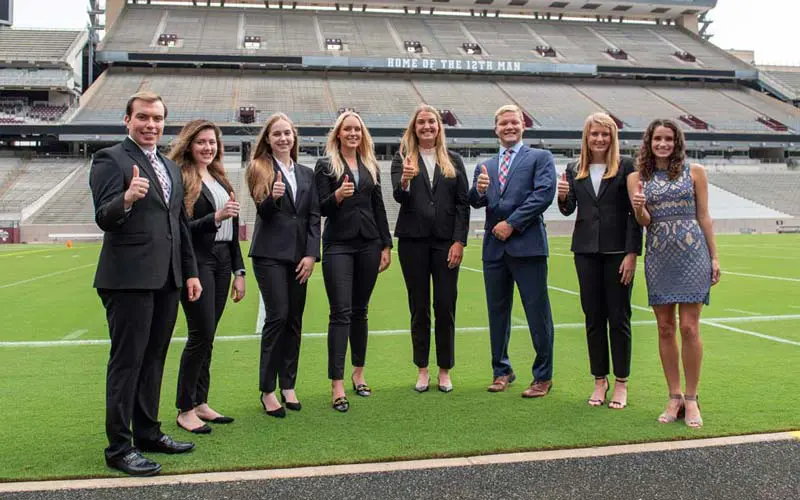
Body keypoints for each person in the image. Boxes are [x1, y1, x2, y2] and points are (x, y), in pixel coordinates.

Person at [90, 91, 201, 476]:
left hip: (167, 278)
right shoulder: (110, 159)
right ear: (127, 120)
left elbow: (179, 226)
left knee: (154, 360)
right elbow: (104, 216)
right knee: (127, 363)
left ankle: (149, 433)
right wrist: (127, 198)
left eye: (156, 118)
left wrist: (189, 272)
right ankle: (120, 448)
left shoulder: (170, 167)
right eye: (143, 117)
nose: (150, 125)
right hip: (128, 279)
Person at [627, 118, 721, 428]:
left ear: (677, 142)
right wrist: (640, 207)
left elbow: (704, 216)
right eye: (658, 139)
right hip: (659, 256)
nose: (663, 144)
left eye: (669, 139)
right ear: (649, 142)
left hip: (693, 256)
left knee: (690, 328)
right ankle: (674, 395)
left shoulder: (696, 173)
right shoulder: (637, 178)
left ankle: (692, 399)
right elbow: (644, 222)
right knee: (665, 328)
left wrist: (714, 257)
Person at [468, 104, 557, 398]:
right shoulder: (486, 165)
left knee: (537, 313)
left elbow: (543, 194)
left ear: (523, 126)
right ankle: (501, 370)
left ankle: (543, 376)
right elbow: (474, 201)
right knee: (497, 313)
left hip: (527, 246)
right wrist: (479, 191)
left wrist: (513, 223)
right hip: (495, 250)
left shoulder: (540, 157)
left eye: (514, 122)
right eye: (503, 123)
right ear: (496, 129)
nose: (509, 127)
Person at [557, 112, 642, 410]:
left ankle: (621, 382)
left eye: (605, 134)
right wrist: (563, 197)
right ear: (587, 137)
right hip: (585, 252)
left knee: (618, 319)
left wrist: (632, 254)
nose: (599, 139)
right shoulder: (573, 168)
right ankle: (599, 380)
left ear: (612, 137)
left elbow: (635, 213)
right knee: (593, 319)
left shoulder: (627, 166)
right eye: (594, 134)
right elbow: (569, 210)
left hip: (618, 253)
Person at [168, 120, 246, 434]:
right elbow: (182, 229)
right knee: (200, 334)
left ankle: (201, 401)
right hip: (198, 260)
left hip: (223, 260)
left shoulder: (220, 178)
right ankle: (185, 408)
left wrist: (239, 270)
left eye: (212, 142)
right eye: (201, 141)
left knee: (209, 336)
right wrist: (214, 217)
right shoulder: (183, 178)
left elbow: (234, 232)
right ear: (189, 144)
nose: (207, 147)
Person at [314, 111, 392, 412]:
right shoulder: (325, 166)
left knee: (361, 312)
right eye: (347, 129)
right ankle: (337, 384)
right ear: (338, 134)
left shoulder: (370, 164)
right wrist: (337, 196)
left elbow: (379, 207)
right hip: (338, 245)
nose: (353, 133)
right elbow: (319, 208)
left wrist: (386, 244)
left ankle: (358, 373)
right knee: (340, 312)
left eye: (357, 129)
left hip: (369, 244)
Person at [391, 105, 470, 393]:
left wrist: (459, 240)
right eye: (421, 122)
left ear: (439, 127)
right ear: (414, 128)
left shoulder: (455, 160)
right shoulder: (403, 159)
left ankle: (445, 369)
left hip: (446, 243)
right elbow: (399, 196)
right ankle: (422, 369)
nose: (427, 127)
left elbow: (462, 203)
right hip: (412, 242)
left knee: (446, 306)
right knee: (419, 307)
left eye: (432, 122)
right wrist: (405, 180)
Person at [246, 113, 320, 418]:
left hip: (299, 256)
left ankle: (289, 384)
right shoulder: (259, 168)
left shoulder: (306, 173)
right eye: (276, 134)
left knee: (295, 320)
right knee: (277, 316)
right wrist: (273, 199)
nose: (283, 139)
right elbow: (263, 213)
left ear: (294, 137)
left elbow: (313, 216)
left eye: (287, 133)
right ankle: (267, 389)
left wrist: (311, 254)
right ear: (268, 138)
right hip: (269, 254)